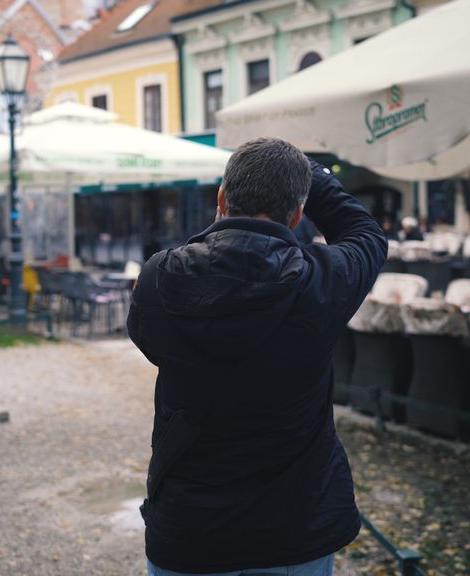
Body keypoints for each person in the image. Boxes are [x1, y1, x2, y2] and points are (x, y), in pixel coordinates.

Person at [127, 138, 387, 576]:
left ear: (222, 200)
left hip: (191, 530)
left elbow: (149, 338)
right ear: (299, 214)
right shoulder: (323, 283)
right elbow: (366, 234)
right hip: (293, 531)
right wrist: (313, 176)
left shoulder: (159, 278)